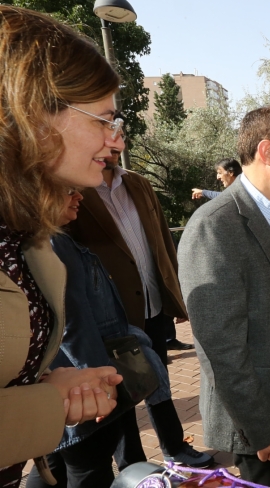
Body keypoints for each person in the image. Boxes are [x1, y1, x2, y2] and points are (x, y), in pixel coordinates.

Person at [0, 6, 126, 487]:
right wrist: (46, 403)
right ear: (30, 111)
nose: (116, 143)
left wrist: (43, 382)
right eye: (104, 120)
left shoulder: (21, 235)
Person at [179, 105, 270, 486]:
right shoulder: (214, 226)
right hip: (262, 418)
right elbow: (219, 348)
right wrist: (263, 427)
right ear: (267, 152)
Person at [68, 136, 211, 468]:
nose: (114, 143)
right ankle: (133, 464)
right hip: (113, 315)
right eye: (103, 133)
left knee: (157, 380)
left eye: (118, 134)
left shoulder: (139, 184)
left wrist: (174, 292)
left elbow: (161, 238)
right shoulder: (76, 190)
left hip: (152, 305)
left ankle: (175, 448)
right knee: (124, 392)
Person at [27, 190, 172, 488]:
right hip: (81, 392)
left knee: (51, 465)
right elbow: (74, 325)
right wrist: (99, 386)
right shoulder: (53, 244)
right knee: (89, 470)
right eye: (67, 190)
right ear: (38, 192)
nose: (78, 195)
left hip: (58, 385)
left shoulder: (38, 240)